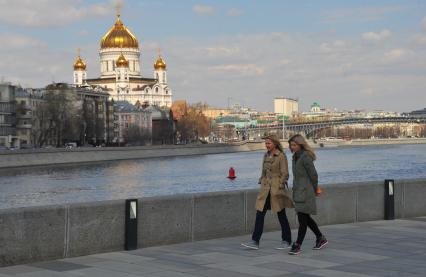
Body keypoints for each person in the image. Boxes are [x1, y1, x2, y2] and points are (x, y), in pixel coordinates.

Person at [241, 133, 294, 250]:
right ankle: (255, 241)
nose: (267, 145)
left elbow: (285, 174)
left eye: (269, 143)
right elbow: (263, 172)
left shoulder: (281, 156)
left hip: (276, 189)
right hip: (265, 190)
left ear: (275, 143)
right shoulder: (265, 155)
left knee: (281, 215)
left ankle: (287, 240)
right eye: (266, 143)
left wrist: (279, 185)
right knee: (259, 214)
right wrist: (261, 180)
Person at [287, 134, 327, 255]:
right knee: (306, 218)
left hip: (306, 191)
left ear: (300, 144)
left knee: (302, 219)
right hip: (298, 191)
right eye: (291, 145)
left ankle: (298, 245)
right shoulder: (295, 157)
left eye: (294, 145)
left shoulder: (305, 157)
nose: (292, 147)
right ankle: (320, 238)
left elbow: (313, 175)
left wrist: (315, 189)